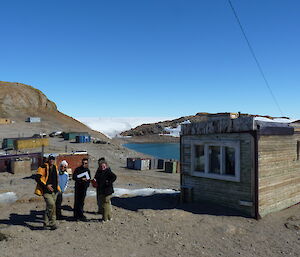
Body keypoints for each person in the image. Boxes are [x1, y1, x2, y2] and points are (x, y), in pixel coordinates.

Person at [35, 155, 61, 230]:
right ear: (48, 160)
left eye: (53, 159)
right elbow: (37, 178)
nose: (52, 160)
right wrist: (46, 185)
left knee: (49, 207)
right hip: (46, 191)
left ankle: (45, 223)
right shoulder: (43, 167)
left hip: (54, 191)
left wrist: (58, 188)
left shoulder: (55, 167)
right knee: (52, 205)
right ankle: (52, 223)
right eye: (50, 159)